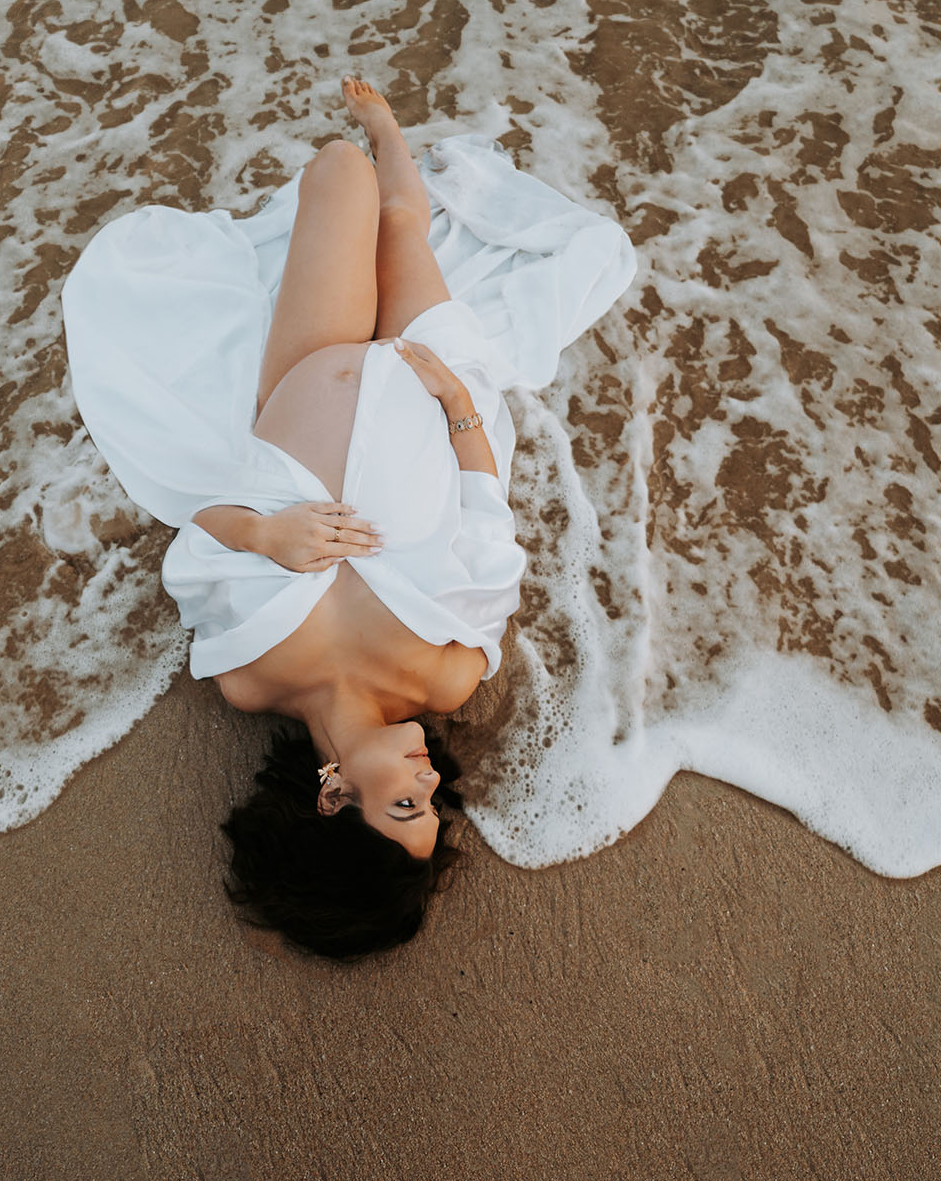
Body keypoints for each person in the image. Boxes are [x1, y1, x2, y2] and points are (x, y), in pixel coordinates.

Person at [63, 76, 636, 958]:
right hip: (424, 372)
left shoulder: (247, 678)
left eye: (402, 801)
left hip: (304, 372)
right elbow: (487, 522)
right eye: (431, 801)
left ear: (333, 797)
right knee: (398, 218)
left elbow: (198, 531)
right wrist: (458, 404)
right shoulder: (446, 678)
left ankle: (371, 149)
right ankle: (391, 129)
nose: (427, 776)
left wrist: (264, 535)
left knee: (336, 172)